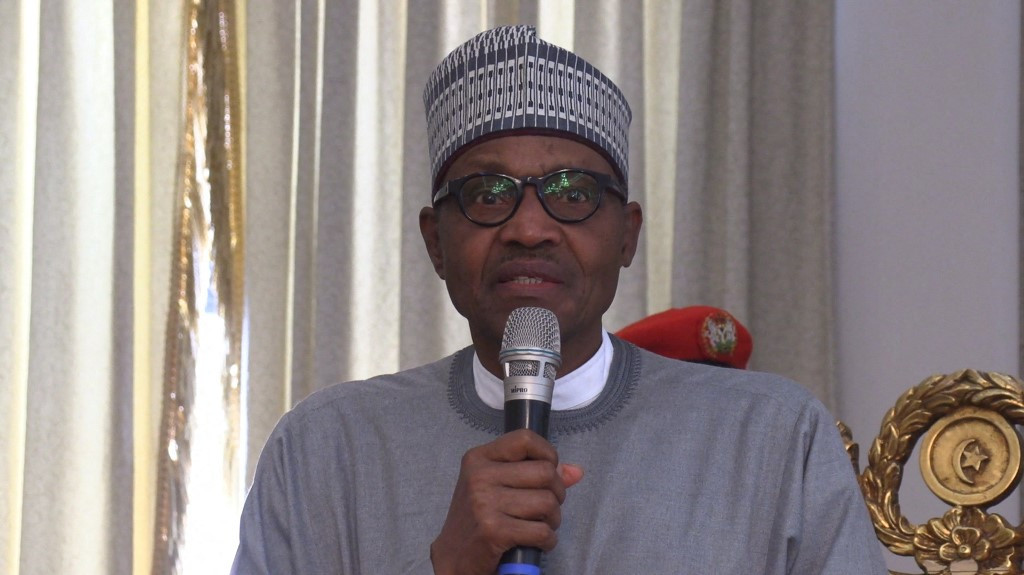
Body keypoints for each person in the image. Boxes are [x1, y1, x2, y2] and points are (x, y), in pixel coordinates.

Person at [231, 25, 886, 574]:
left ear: (627, 235)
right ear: (435, 240)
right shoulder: (323, 448)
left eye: (572, 192)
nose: (529, 227)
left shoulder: (771, 437)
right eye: (488, 194)